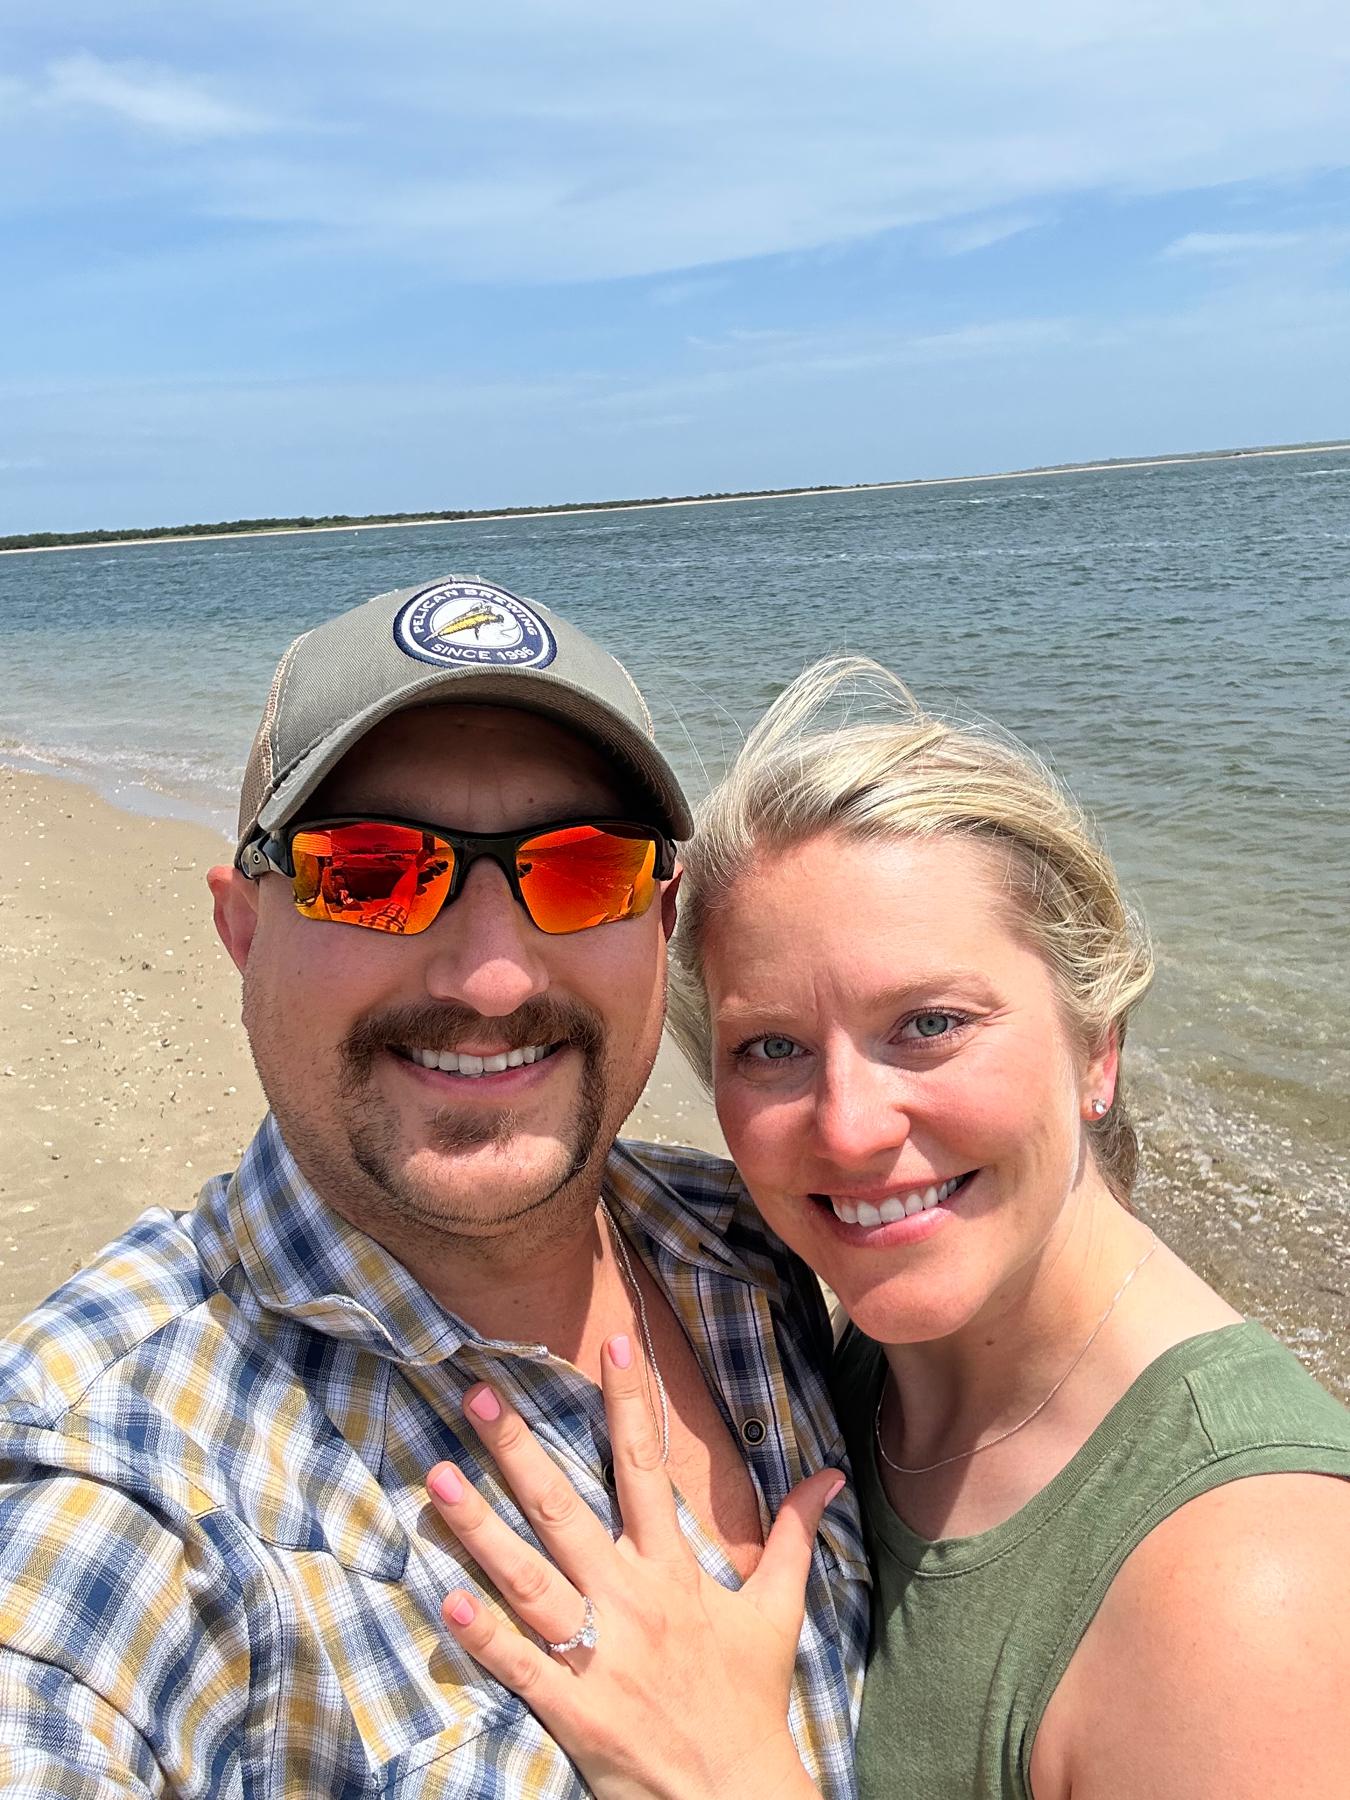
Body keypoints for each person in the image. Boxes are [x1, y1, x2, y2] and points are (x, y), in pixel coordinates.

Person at [424, 656, 1350, 1799]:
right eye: (773, 1048)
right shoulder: (825, 1363)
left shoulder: (1252, 1580)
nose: (852, 1129)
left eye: (929, 1024)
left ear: (1097, 1047)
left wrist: (733, 1775)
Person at [0, 579, 867, 1798]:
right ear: (242, 926)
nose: (496, 977)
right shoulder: (127, 1465)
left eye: (578, 871)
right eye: (372, 871)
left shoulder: (747, 1245)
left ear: (659, 922)